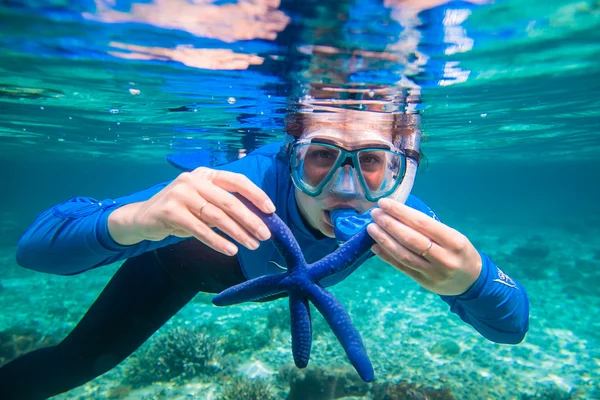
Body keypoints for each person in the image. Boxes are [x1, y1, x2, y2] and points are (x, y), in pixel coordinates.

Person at [0, 107, 529, 399]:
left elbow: (511, 325)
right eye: (320, 156)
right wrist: (137, 221)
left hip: (268, 278)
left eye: (371, 161)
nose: (343, 187)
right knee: (73, 365)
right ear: (290, 156)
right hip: (175, 270)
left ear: (401, 170)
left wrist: (474, 283)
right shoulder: (242, 185)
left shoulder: (401, 218)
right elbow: (35, 250)